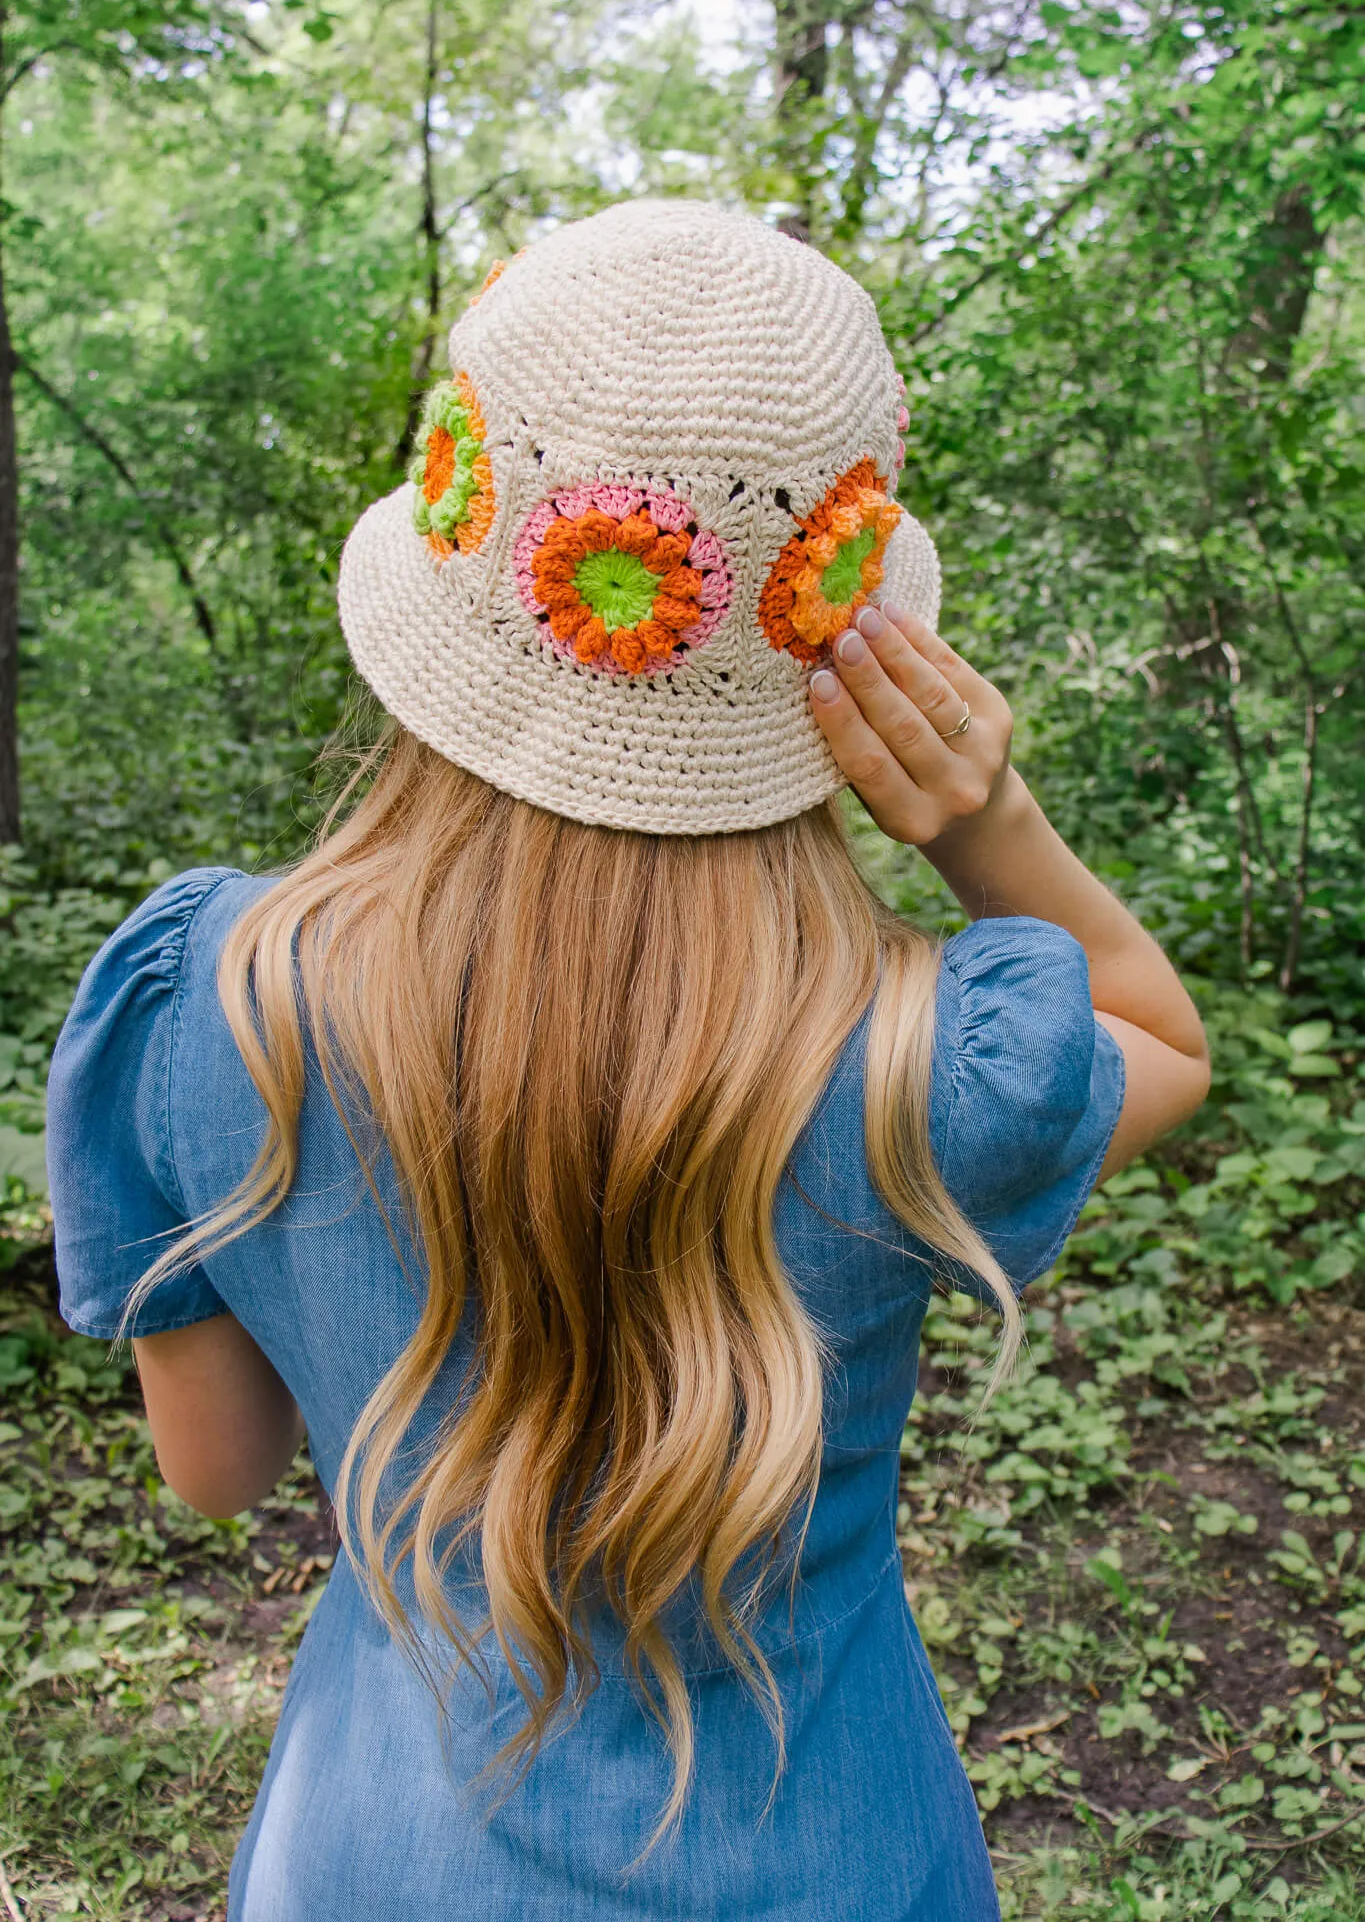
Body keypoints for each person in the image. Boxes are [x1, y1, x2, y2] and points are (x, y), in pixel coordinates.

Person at [48, 201, 1209, 1921]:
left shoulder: (208, 1001)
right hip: (833, 1867)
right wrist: (988, 821)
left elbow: (215, 1476)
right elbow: (1166, 1042)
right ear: (842, 619)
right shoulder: (923, 1067)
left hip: (376, 1859)